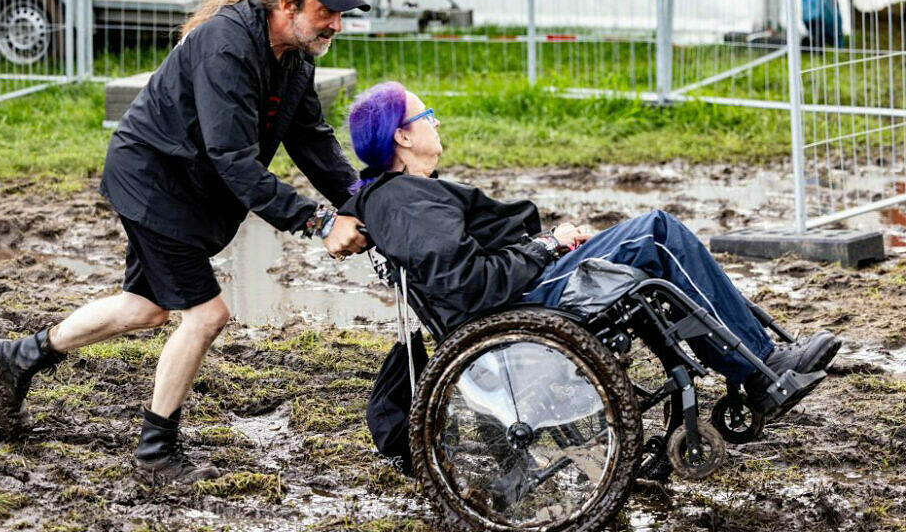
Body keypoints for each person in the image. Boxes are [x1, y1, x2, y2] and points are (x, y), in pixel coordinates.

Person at [0, 0, 371, 484]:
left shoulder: (293, 58)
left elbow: (311, 139)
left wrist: (362, 202)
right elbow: (233, 158)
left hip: (182, 188)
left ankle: (16, 357)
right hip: (153, 183)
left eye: (342, 13)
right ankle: (155, 451)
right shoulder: (227, 45)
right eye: (327, 11)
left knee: (145, 308)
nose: (336, 23)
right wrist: (318, 221)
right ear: (288, 4)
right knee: (206, 316)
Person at [339, 81, 844, 472]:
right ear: (403, 136)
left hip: (518, 293)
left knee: (645, 247)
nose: (437, 120)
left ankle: (754, 361)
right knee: (656, 233)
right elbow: (470, 284)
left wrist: (553, 241)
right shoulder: (405, 200)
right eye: (426, 115)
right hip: (515, 307)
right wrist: (547, 245)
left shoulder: (402, 197)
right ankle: (760, 373)